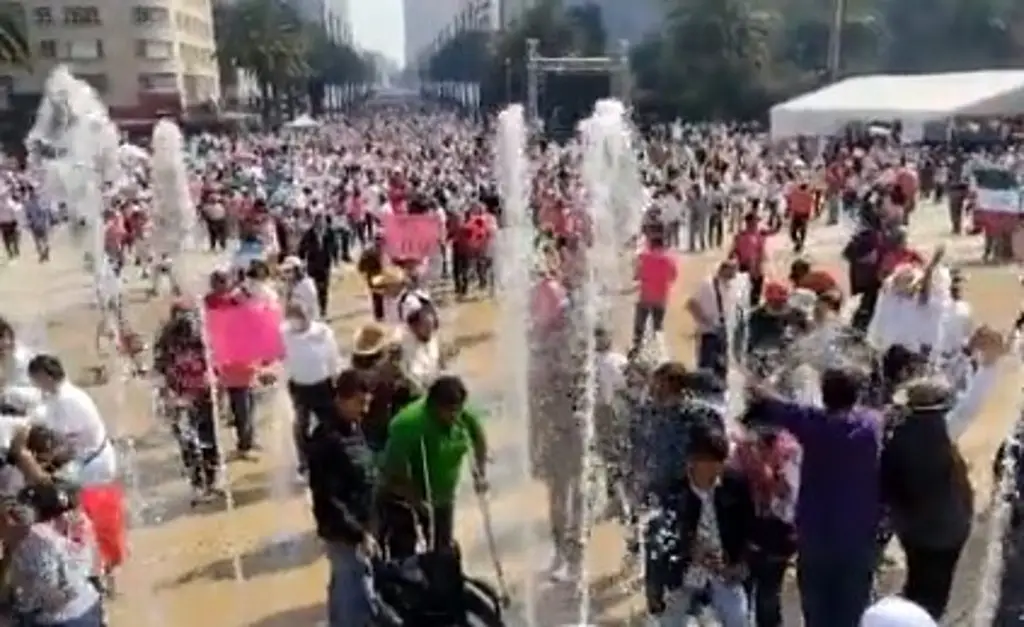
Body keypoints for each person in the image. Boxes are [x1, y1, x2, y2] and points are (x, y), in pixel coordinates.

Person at [879, 327, 1004, 620]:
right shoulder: (943, 429)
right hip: (945, 529)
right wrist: (989, 366)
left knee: (917, 583)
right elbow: (972, 405)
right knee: (935, 594)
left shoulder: (894, 430)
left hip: (911, 527)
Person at [746, 365, 882, 627]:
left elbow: (775, 406)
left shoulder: (813, 424)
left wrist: (757, 386)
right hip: (857, 538)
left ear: (824, 397)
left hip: (815, 539)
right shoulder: (870, 426)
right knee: (852, 615)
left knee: (817, 616)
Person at [645, 420, 755, 627]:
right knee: (671, 621)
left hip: (723, 572)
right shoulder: (672, 492)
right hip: (683, 574)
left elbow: (750, 530)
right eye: (710, 463)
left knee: (738, 618)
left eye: (721, 463)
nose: (717, 471)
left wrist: (738, 563)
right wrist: (687, 550)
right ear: (692, 462)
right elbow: (657, 542)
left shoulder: (735, 487)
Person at [380, 375, 487, 558]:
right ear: (435, 406)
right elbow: (393, 471)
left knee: (442, 549)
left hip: (443, 496)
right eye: (450, 411)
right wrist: (416, 500)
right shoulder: (408, 424)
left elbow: (479, 439)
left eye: (458, 410)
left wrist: (480, 474)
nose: (454, 416)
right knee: (405, 549)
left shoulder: (463, 412)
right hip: (404, 496)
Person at [306, 369, 378, 627]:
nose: (365, 409)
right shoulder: (327, 439)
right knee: (356, 591)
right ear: (342, 399)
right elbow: (329, 496)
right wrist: (358, 533)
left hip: (359, 525)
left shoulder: (353, 429)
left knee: (345, 588)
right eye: (360, 403)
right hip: (343, 531)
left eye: (367, 403)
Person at [2, 485, 105, 626]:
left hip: (62, 618)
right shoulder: (78, 522)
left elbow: (47, 594)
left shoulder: (35, 539)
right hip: (90, 604)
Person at [153, 302, 222, 503]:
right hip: (181, 401)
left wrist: (217, 391)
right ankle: (198, 484)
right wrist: (171, 399)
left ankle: (210, 481)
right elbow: (160, 374)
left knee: (209, 441)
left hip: (204, 397)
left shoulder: (203, 340)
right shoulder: (166, 345)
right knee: (189, 444)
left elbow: (214, 366)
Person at [282, 301, 343, 478]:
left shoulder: (322, 333)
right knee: (301, 426)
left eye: (301, 316)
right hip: (299, 387)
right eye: (294, 317)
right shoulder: (284, 334)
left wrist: (336, 376)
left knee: (331, 422)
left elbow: (333, 356)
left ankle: (334, 457)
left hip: (323, 384)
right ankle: (304, 462)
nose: (298, 321)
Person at [632, 227, 678, 351]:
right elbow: (673, 277)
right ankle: (658, 349)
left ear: (651, 245)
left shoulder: (644, 257)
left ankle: (637, 348)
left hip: (645, 297)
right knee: (658, 327)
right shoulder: (670, 259)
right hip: (661, 298)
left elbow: (636, 275)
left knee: (639, 326)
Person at [297, 213, 340, 318]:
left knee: (324, 289)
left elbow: (335, 246)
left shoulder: (330, 232)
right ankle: (312, 311)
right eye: (318, 221)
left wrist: (336, 260)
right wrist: (302, 261)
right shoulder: (309, 233)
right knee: (312, 289)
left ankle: (323, 311)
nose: (321, 224)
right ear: (315, 222)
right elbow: (301, 248)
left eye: (322, 222)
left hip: (325, 264)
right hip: (313, 264)